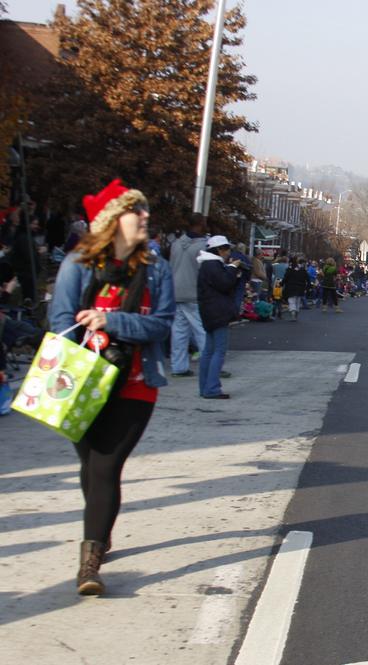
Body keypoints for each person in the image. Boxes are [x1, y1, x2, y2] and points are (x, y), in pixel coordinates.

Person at [48, 179, 175, 595]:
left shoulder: (155, 268)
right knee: (89, 467)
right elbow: (60, 323)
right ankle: (101, 529)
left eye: (144, 211)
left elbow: (162, 324)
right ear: (112, 219)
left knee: (105, 464)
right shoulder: (78, 264)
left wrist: (112, 321)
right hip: (82, 382)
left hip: (135, 382)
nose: (144, 217)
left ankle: (90, 562)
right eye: (135, 211)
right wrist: (62, 377)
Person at [196, 235, 242, 398]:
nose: (229, 252)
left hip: (208, 311)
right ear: (219, 250)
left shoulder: (206, 265)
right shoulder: (213, 265)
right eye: (227, 249)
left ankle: (205, 387)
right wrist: (231, 268)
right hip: (218, 311)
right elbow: (224, 284)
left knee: (209, 350)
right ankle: (212, 388)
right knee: (219, 350)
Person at [168, 214, 208, 377]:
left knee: (179, 332)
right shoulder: (203, 246)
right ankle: (209, 365)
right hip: (194, 293)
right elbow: (205, 272)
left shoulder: (176, 245)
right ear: (200, 224)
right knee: (202, 331)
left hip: (176, 292)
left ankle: (178, 366)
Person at [282, 256, 308, 321]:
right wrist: (308, 286)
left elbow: (285, 278)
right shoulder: (302, 269)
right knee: (297, 301)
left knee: (291, 301)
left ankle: (293, 312)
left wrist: (281, 284)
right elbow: (307, 278)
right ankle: (296, 312)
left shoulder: (289, 269)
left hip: (291, 287)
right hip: (300, 287)